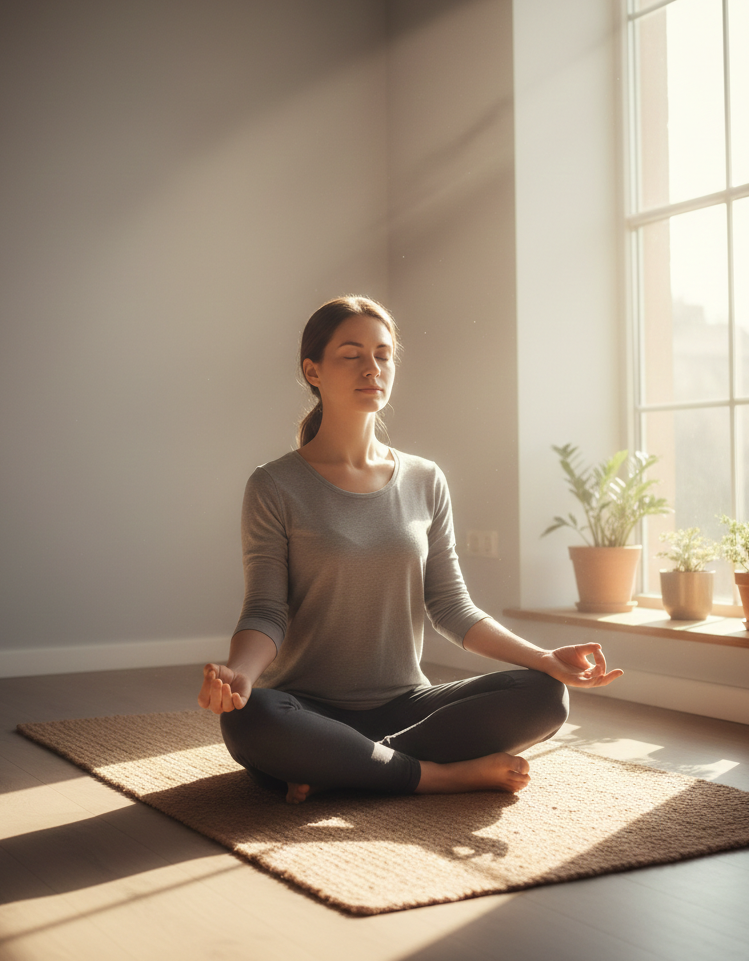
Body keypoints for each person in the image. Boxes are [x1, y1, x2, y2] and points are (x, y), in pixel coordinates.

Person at [198, 295, 623, 804]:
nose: (371, 368)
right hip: (306, 707)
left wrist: (545, 658)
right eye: (351, 354)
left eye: (383, 354)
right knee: (253, 721)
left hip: (407, 704)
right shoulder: (274, 485)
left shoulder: (425, 479)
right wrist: (240, 677)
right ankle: (439, 775)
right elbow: (267, 610)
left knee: (545, 695)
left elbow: (450, 606)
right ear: (313, 370)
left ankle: (342, 765)